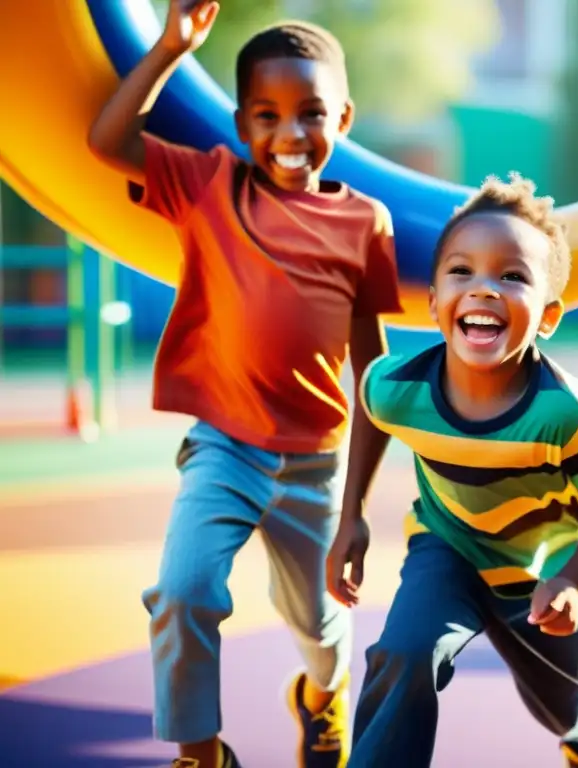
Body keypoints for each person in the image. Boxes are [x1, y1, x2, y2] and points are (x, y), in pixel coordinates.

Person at [87, 2, 402, 766]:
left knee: (322, 630)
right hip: (224, 448)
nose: (290, 135)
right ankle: (202, 753)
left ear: (345, 117)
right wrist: (170, 46)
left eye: (311, 114)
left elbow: (376, 373)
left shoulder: (366, 223)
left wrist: (356, 510)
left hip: (317, 468)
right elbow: (107, 142)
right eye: (267, 115)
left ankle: (320, 698)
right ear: (240, 119)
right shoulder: (209, 186)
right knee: (183, 592)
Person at [323, 174, 578, 768]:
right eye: (462, 272)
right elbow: (370, 411)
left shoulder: (565, 411)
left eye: (512, 276)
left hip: (543, 571)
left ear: (546, 317)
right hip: (448, 549)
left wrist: (574, 580)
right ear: (436, 303)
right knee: (404, 650)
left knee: (565, 707)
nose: (484, 289)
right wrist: (352, 519)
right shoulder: (402, 386)